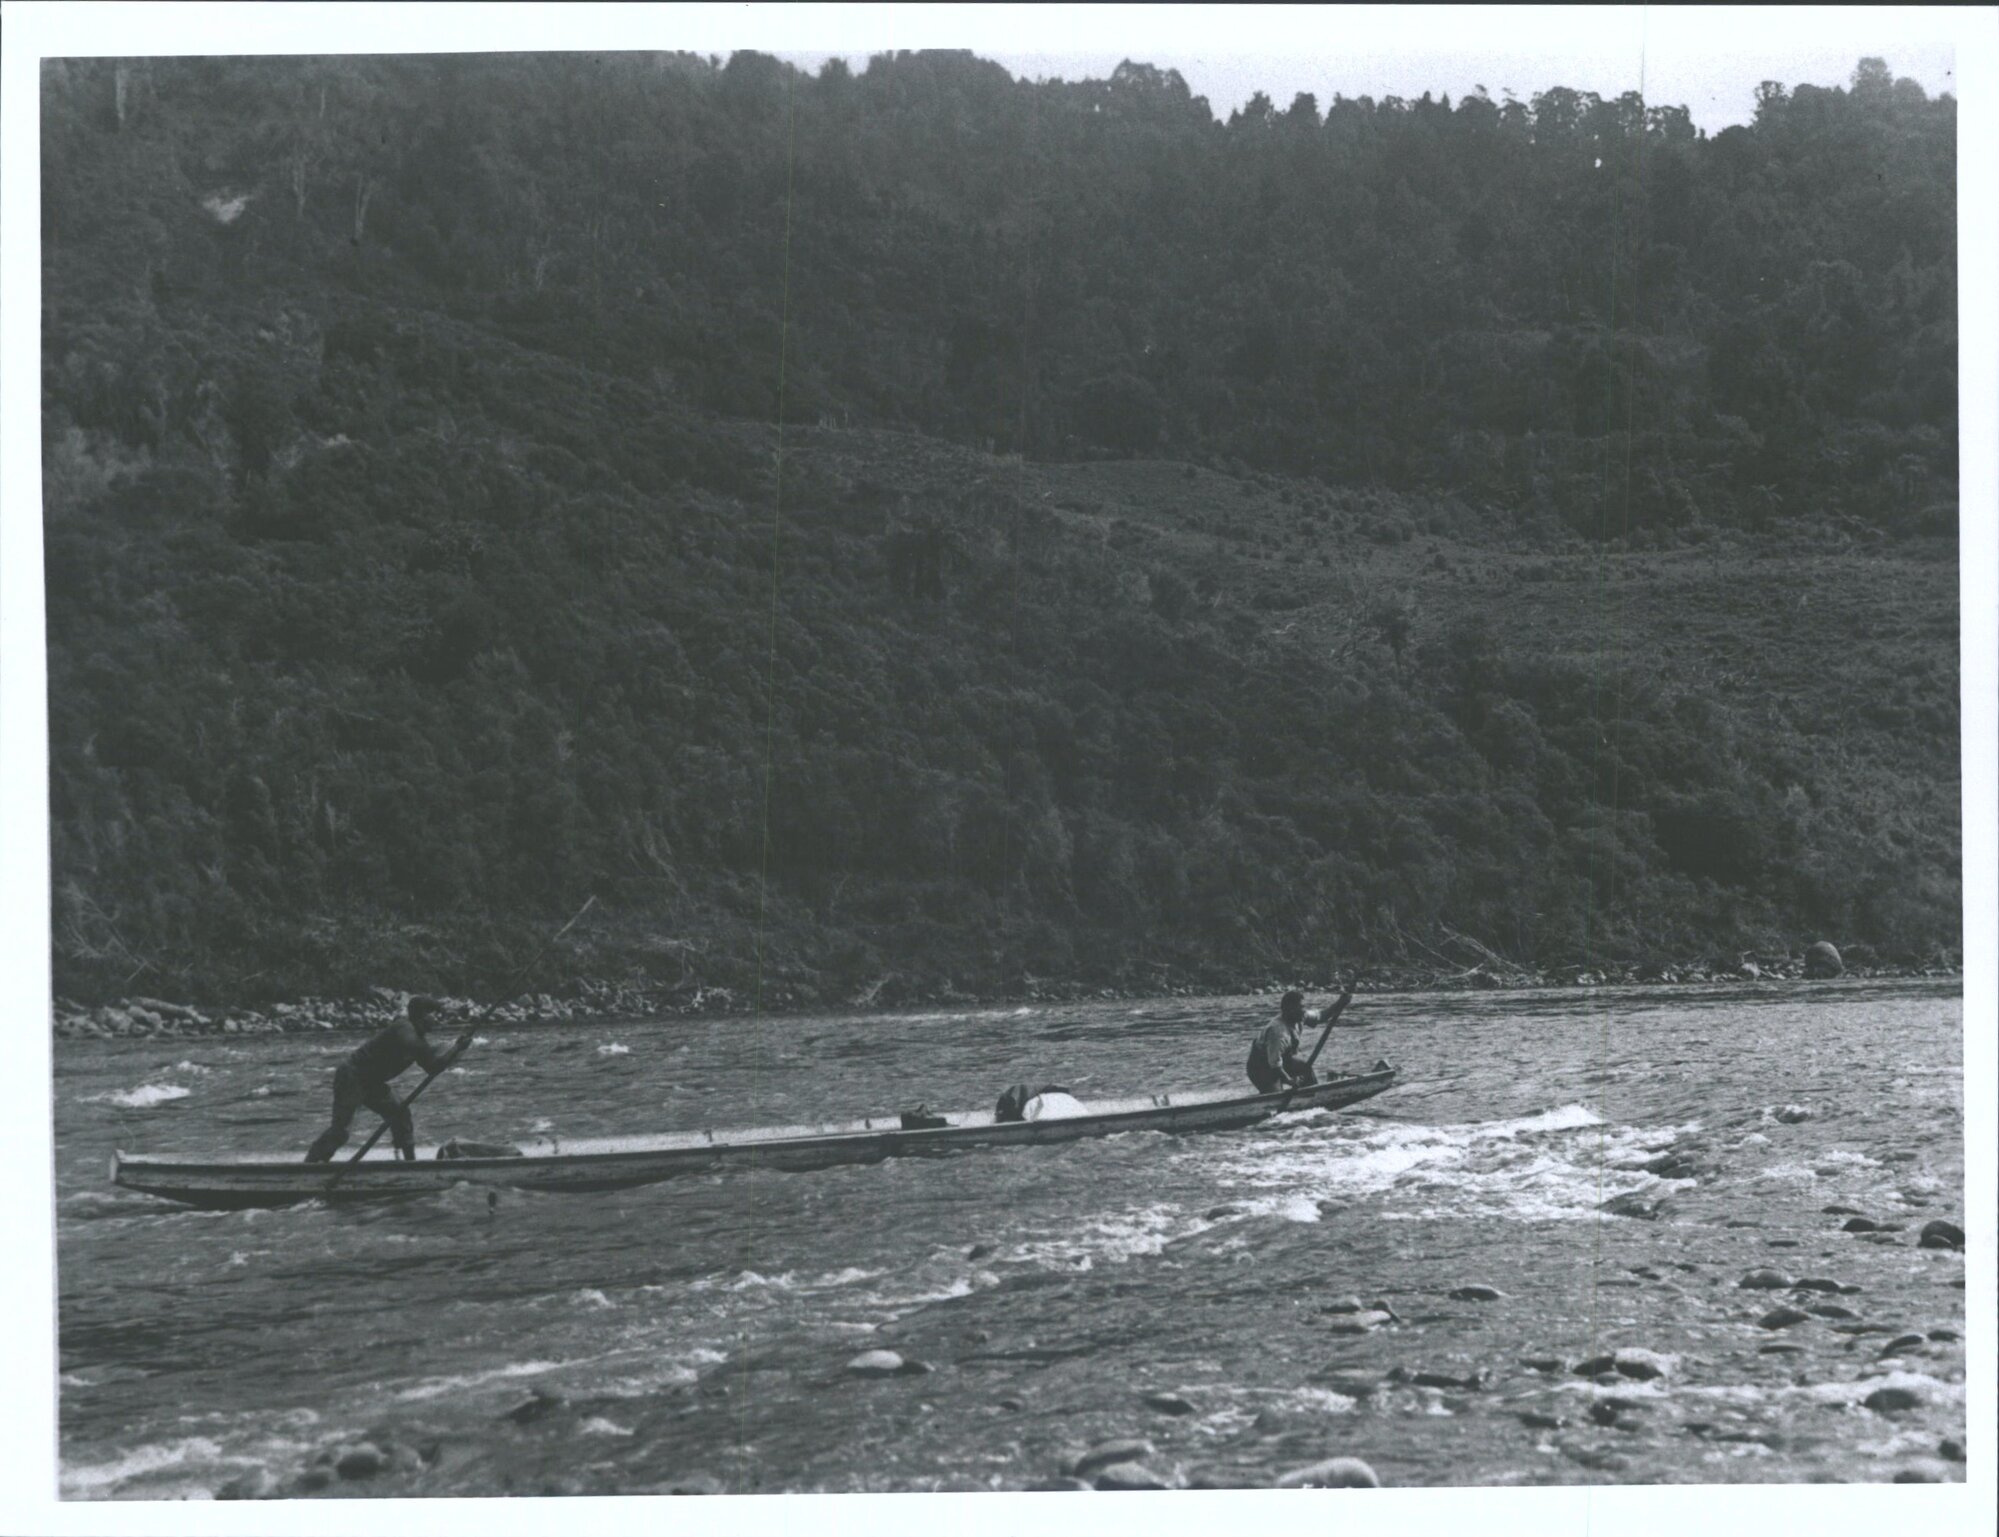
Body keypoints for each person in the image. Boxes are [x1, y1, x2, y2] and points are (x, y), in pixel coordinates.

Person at [305, 995, 463, 1162]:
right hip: (352, 1076)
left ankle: (410, 1163)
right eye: (435, 1015)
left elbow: (431, 1065)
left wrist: (455, 1048)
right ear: (422, 1015)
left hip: (372, 1082)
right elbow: (432, 1065)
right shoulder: (405, 1030)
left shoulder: (417, 1038)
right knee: (340, 1131)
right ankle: (312, 1164)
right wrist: (456, 1048)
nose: (439, 1020)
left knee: (400, 1113)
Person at [1246, 982, 1356, 1094]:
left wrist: (1340, 1003)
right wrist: (1289, 1080)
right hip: (1261, 1068)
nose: (1303, 1011)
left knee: (1305, 1068)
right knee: (1276, 1095)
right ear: (1289, 1010)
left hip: (1281, 1060)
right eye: (1300, 1008)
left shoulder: (1301, 1015)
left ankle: (1313, 1095)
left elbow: (1322, 1016)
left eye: (1303, 1007)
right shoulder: (1278, 1032)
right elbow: (1275, 1065)